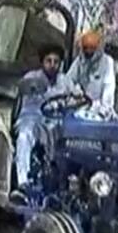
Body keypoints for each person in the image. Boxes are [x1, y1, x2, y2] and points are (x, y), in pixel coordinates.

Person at [11, 44, 72, 203]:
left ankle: (59, 184)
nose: (52, 65)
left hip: (54, 122)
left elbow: (77, 95)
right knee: (24, 136)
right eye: (48, 61)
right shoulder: (32, 78)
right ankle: (22, 182)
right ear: (42, 62)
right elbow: (23, 88)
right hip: (32, 119)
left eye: (56, 62)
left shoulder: (65, 81)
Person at [66, 30, 117, 113]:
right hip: (81, 105)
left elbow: (109, 88)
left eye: (92, 48)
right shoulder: (80, 61)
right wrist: (75, 90)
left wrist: (104, 108)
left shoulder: (107, 62)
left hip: (99, 108)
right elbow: (68, 79)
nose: (88, 51)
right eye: (86, 48)